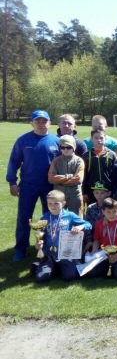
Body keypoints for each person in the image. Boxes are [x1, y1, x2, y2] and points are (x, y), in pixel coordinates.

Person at [7, 110, 60, 261]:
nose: (41, 124)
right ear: (31, 123)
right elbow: (14, 161)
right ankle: (21, 249)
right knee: (24, 217)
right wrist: (12, 182)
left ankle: (49, 247)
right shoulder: (23, 140)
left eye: (44, 121)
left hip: (50, 186)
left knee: (50, 217)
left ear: (50, 123)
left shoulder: (56, 141)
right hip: (28, 185)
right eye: (38, 121)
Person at [32, 190, 91, 283]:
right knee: (41, 278)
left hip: (65, 253)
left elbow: (88, 225)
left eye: (56, 203)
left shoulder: (69, 215)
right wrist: (38, 244)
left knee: (69, 276)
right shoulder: (44, 218)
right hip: (49, 254)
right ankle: (41, 266)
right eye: (50, 203)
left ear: (63, 203)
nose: (53, 206)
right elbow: (40, 235)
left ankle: (55, 268)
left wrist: (80, 227)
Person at [89, 198, 117, 279]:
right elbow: (97, 240)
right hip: (104, 255)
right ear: (103, 211)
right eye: (108, 212)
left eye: (114, 211)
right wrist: (94, 253)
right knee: (93, 273)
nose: (111, 215)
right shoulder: (99, 223)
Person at [48, 135, 85, 217]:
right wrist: (68, 176)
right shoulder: (56, 161)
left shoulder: (79, 161)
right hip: (58, 195)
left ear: (74, 147)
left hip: (74, 194)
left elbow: (78, 179)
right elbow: (51, 178)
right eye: (63, 147)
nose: (65, 150)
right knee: (57, 217)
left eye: (68, 147)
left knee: (76, 218)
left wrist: (59, 180)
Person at [82, 129, 117, 205]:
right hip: (91, 190)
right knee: (93, 209)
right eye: (96, 138)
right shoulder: (86, 155)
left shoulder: (111, 155)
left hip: (108, 190)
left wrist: (114, 190)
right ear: (91, 139)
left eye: (101, 138)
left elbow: (115, 174)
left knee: (108, 209)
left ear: (105, 139)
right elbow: (83, 175)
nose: (99, 140)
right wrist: (84, 192)